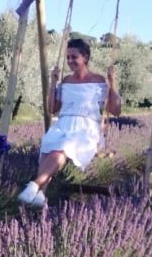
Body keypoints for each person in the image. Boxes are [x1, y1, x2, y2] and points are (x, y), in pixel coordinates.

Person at [17, 38, 122, 208]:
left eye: (74, 57)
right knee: (48, 147)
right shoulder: (66, 81)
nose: (70, 61)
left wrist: (112, 82)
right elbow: (52, 108)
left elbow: (115, 110)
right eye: (68, 58)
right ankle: (41, 196)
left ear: (85, 57)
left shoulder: (99, 81)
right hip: (63, 124)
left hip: (86, 129)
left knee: (61, 149)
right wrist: (53, 83)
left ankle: (34, 185)